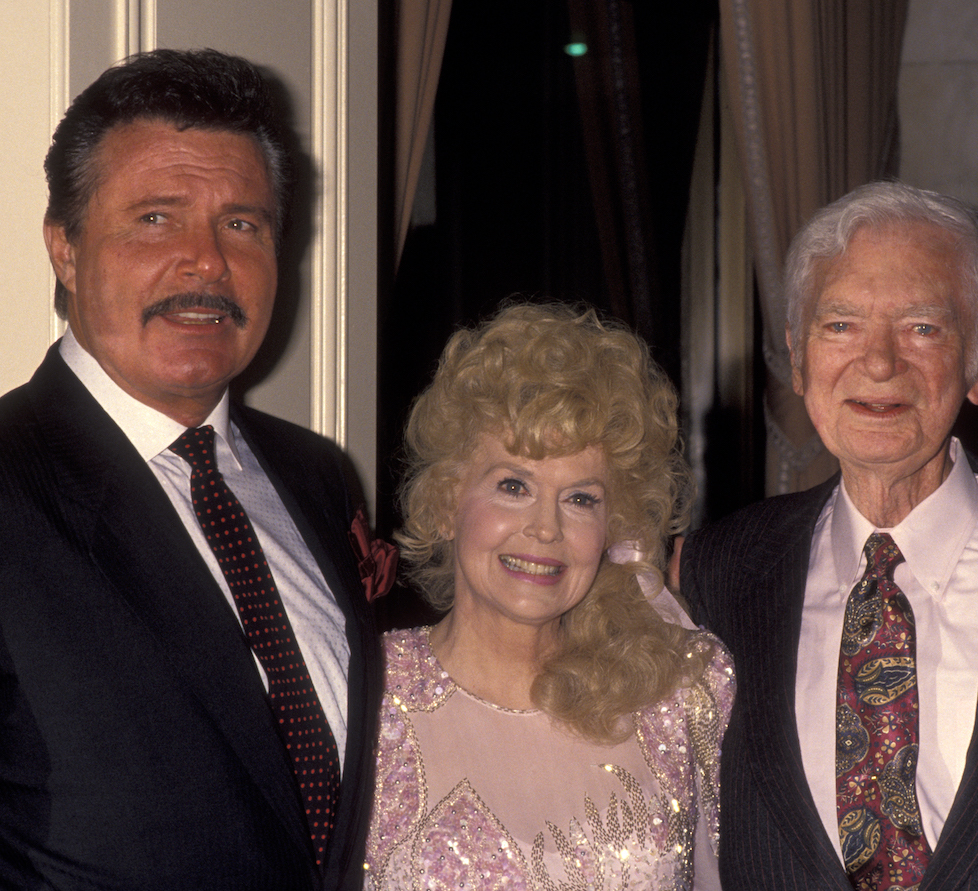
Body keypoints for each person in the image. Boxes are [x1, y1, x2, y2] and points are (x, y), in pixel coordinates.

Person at [0, 49, 382, 890]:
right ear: (64, 248)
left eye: (243, 223)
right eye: (155, 219)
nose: (207, 262)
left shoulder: (318, 477)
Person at [681, 180, 978, 890]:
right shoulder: (716, 574)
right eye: (840, 324)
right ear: (799, 357)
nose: (878, 363)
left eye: (922, 327)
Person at [364, 303, 735, 890]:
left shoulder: (680, 697)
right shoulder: (365, 697)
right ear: (444, 504)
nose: (546, 528)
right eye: (513, 486)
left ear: (615, 524)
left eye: (581, 498)